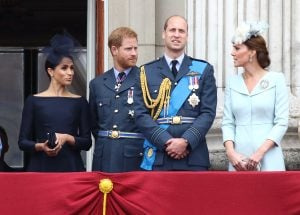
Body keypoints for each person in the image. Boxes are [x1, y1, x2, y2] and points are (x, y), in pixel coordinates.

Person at [134, 15, 217, 171]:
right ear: (164, 34)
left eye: (181, 31)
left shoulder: (203, 69)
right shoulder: (146, 71)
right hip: (159, 154)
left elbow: (208, 113)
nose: (176, 35)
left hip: (193, 154)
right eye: (172, 30)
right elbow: (140, 114)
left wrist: (186, 141)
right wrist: (166, 141)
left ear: (187, 36)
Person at [18, 33, 92, 172]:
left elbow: (87, 142)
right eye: (64, 68)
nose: (70, 73)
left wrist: (67, 137)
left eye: (72, 68)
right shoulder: (34, 101)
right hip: (40, 168)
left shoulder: (80, 102)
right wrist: (41, 146)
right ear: (51, 71)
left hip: (71, 168)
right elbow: (22, 142)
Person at [222, 22, 288, 171]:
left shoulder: (277, 79)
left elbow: (282, 122)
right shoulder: (233, 83)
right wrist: (231, 152)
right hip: (238, 161)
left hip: (269, 157)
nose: (232, 53)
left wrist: (259, 153)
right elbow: (228, 122)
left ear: (252, 52)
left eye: (237, 48)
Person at [89, 27, 144, 172]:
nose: (134, 53)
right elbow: (94, 124)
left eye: (135, 48)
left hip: (134, 158)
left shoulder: (145, 80)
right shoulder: (97, 84)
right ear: (114, 50)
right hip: (104, 157)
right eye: (128, 49)